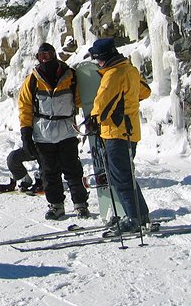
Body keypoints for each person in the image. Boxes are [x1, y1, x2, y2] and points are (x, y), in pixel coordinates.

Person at [18, 43, 89, 220]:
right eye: (42, 56)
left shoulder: (70, 76)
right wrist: (25, 133)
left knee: (73, 171)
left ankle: (80, 204)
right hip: (43, 134)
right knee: (49, 173)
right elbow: (25, 107)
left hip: (67, 131)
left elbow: (81, 99)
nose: (45, 59)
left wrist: (93, 115)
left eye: (48, 55)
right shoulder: (33, 80)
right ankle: (56, 205)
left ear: (54, 55)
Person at [89, 37, 152, 234]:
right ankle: (141, 215)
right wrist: (127, 101)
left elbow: (102, 104)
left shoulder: (113, 74)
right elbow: (145, 91)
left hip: (116, 131)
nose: (96, 62)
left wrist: (93, 119)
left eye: (96, 58)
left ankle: (133, 218)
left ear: (102, 57)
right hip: (130, 130)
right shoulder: (129, 69)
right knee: (126, 175)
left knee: (120, 177)